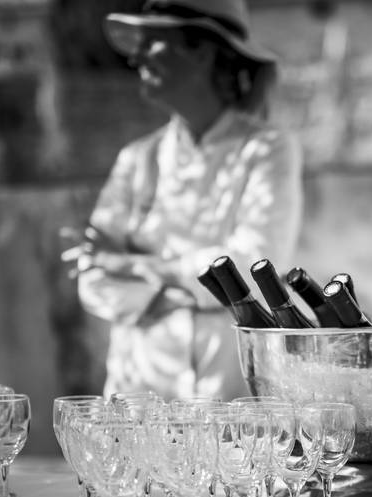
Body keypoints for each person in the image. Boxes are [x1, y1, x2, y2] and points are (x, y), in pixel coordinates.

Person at [74, 0, 302, 401]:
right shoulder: (137, 159)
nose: (136, 58)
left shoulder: (267, 149)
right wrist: (180, 292)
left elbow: (257, 265)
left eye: (154, 42)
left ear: (203, 51)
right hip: (136, 398)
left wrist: (136, 267)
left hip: (227, 399)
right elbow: (92, 274)